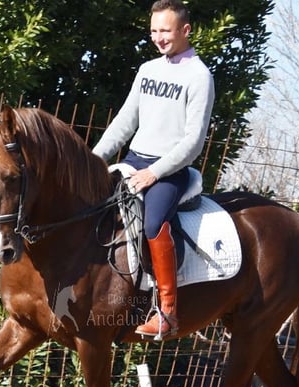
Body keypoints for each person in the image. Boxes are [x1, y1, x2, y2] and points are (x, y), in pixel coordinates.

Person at [93, 0, 215, 340]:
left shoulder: (199, 76)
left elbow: (193, 142)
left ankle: (167, 312)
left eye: (166, 30)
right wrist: (92, 159)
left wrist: (155, 173)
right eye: (154, 31)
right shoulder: (147, 70)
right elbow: (124, 122)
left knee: (152, 223)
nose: (159, 38)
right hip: (133, 160)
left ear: (185, 30)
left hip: (170, 171)